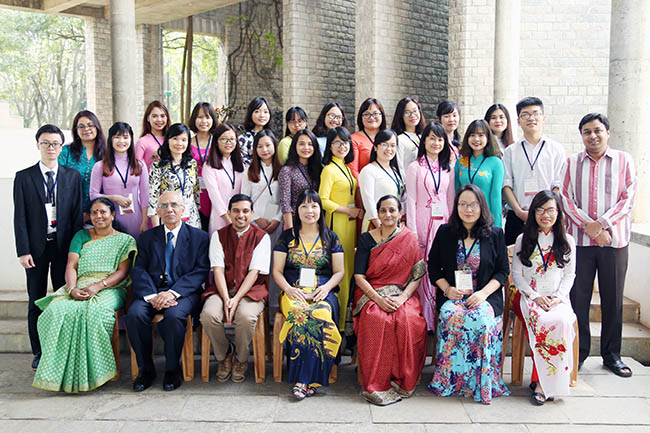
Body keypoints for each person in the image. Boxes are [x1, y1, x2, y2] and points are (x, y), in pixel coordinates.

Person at [560, 113, 637, 377]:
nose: (592, 136)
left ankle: (612, 355)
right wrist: (589, 227)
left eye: (597, 130)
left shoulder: (624, 160)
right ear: (581, 135)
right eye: (586, 132)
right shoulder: (572, 162)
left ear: (607, 132)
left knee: (612, 299)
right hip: (580, 243)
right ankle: (578, 353)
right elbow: (566, 199)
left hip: (614, 242)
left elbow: (629, 198)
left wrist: (602, 225)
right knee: (577, 299)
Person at [32, 198, 137, 392]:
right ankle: (58, 373)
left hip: (111, 288)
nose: (99, 216)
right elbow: (71, 266)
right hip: (79, 284)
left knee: (93, 313)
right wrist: (71, 289)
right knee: (54, 311)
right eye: (94, 212)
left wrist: (99, 286)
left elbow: (123, 272)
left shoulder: (125, 240)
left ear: (113, 214)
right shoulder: (81, 236)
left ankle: (92, 372)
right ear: (89, 216)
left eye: (103, 212)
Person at [427, 184, 509, 404]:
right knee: (450, 314)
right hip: (454, 296)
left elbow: (502, 271)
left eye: (473, 204)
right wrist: (447, 289)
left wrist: (482, 294)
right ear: (456, 207)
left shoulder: (495, 234)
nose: (468, 209)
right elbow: (433, 266)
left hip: (484, 296)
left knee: (481, 318)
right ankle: (450, 381)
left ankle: (479, 384)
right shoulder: (445, 232)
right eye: (463, 204)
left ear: (481, 206)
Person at [125, 191, 210, 392]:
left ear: (183, 209)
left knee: (173, 316)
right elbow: (139, 269)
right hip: (152, 293)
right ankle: (146, 369)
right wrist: (153, 296)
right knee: (135, 315)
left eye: (174, 205)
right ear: (157, 211)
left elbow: (200, 271)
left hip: (183, 294)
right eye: (164, 205)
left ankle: (172, 369)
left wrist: (172, 293)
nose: (169, 209)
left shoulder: (199, 237)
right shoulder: (146, 238)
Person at [13, 124, 83, 370]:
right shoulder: (24, 177)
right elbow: (19, 217)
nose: (51, 148)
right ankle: (39, 351)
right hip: (35, 249)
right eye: (46, 143)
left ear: (61, 147)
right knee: (36, 299)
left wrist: (76, 251)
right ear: (38, 145)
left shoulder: (72, 177)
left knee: (63, 299)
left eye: (55, 143)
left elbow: (76, 216)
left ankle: (60, 348)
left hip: (63, 247)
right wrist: (23, 250)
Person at [353, 195, 427, 406]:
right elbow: (359, 277)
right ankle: (376, 383)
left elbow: (418, 273)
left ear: (400, 213)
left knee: (408, 320)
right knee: (377, 319)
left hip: (402, 294)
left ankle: (403, 381)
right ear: (377, 213)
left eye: (392, 210)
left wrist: (403, 297)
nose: (388, 215)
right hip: (372, 293)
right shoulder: (367, 239)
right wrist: (378, 299)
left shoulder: (409, 238)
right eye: (383, 210)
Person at [272, 190, 344, 400]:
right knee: (301, 314)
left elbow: (339, 271)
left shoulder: (330, 237)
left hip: (323, 289)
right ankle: (303, 379)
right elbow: (277, 270)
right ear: (297, 211)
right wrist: (288, 289)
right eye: (304, 206)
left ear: (320, 210)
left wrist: (327, 288)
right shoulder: (287, 236)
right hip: (294, 289)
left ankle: (308, 378)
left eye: (313, 206)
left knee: (319, 314)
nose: (309, 211)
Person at [511, 190, 577, 405]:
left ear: (558, 213)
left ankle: (547, 381)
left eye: (550, 210)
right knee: (545, 321)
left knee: (563, 320)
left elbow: (569, 275)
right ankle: (542, 383)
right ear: (533, 213)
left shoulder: (568, 241)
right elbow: (516, 276)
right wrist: (535, 296)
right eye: (540, 210)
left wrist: (558, 298)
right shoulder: (524, 239)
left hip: (558, 298)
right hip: (530, 297)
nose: (545, 215)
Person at [200, 194, 270, 382]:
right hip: (222, 288)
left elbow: (254, 273)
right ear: (229, 213)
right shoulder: (219, 235)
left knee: (246, 317)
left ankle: (241, 358)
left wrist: (236, 299)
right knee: (208, 315)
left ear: (252, 213)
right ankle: (224, 355)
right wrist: (225, 298)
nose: (241, 215)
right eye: (236, 211)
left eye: (245, 211)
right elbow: (218, 270)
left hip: (250, 291)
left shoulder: (261, 237)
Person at [405, 122, 455, 330]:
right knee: (423, 268)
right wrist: (413, 232)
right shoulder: (415, 167)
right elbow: (411, 200)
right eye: (432, 138)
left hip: (443, 223)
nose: (436, 143)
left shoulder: (448, 168)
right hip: (423, 222)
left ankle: (438, 317)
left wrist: (452, 226)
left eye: (440, 139)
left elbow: (450, 199)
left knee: (442, 265)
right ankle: (424, 321)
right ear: (424, 140)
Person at [502, 97, 566, 245]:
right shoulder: (510, 151)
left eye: (535, 113)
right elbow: (506, 185)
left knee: (547, 262)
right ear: (518, 121)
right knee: (514, 261)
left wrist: (545, 211)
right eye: (525, 115)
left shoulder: (556, 149)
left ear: (543, 118)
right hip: (518, 217)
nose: (531, 118)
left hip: (548, 218)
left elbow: (558, 184)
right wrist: (519, 212)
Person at [319, 127, 363, 330]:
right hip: (337, 225)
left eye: (345, 142)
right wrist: (347, 211)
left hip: (349, 226)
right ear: (330, 146)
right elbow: (322, 199)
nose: (341, 146)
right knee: (340, 273)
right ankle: (338, 327)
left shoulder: (345, 167)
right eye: (336, 142)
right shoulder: (328, 169)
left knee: (348, 272)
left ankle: (343, 323)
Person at [241, 130, 283, 313]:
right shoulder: (249, 171)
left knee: (275, 266)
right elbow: (244, 199)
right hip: (255, 225)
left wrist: (276, 219)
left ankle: (273, 309)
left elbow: (284, 200)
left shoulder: (282, 170)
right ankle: (253, 307)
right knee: (254, 266)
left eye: (268, 145)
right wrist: (257, 218)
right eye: (260, 146)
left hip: (277, 225)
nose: (264, 149)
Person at [90, 122, 149, 239]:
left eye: (125, 137)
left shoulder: (140, 165)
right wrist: (114, 198)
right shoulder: (100, 166)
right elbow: (93, 195)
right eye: (117, 137)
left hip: (136, 218)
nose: (121, 141)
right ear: (110, 140)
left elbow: (145, 195)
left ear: (131, 140)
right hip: (111, 218)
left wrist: (145, 221)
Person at [148, 123, 201, 229]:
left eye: (183, 140)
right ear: (168, 140)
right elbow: (153, 198)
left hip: (192, 217)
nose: (179, 143)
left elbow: (196, 192)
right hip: (169, 216)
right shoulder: (158, 166)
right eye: (175, 139)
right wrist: (156, 228)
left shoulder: (192, 164)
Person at [455, 119, 504, 227]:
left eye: (481, 135)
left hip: (485, 219)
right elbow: (456, 192)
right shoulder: (460, 162)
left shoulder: (496, 163)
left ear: (488, 138)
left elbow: (495, 196)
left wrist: (497, 226)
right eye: (472, 135)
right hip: (464, 217)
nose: (476, 139)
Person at [59, 110, 106, 219]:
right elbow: (59, 180)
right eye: (81, 126)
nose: (86, 129)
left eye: (90, 125)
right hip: (69, 211)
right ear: (76, 131)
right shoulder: (66, 152)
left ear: (97, 127)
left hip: (99, 214)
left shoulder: (107, 154)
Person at [203, 123, 244, 235]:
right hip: (220, 218)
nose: (228, 143)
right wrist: (229, 219)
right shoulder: (209, 166)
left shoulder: (242, 165)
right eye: (224, 139)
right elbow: (214, 196)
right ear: (216, 142)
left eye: (232, 139)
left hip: (241, 217)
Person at [358, 129, 404, 231]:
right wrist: (380, 226)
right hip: (376, 226)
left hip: (393, 224)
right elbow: (368, 201)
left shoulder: (395, 171)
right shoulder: (368, 170)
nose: (389, 149)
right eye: (384, 144)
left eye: (393, 145)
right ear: (375, 147)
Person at [278, 129, 322, 229]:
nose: (306, 148)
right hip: (296, 222)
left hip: (316, 221)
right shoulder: (287, 170)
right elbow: (285, 203)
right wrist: (290, 230)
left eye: (310, 144)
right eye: (301, 144)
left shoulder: (319, 169)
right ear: (295, 146)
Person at [189, 102, 218, 230]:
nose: (204, 121)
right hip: (193, 192)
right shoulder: (187, 143)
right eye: (200, 117)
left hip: (214, 191)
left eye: (207, 117)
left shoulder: (218, 142)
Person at [350, 98, 387, 179]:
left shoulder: (389, 137)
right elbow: (353, 170)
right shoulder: (354, 139)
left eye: (375, 113)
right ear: (361, 117)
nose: (371, 117)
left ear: (382, 115)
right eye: (366, 114)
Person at [392, 97, 426, 176]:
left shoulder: (423, 137)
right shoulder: (400, 139)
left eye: (415, 111)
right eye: (407, 112)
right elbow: (400, 166)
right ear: (401, 115)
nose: (412, 115)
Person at [135, 100, 171, 169]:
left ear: (167, 118)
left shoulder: (172, 139)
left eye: (162, 116)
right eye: (154, 116)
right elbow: (137, 168)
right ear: (148, 118)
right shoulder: (142, 142)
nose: (159, 119)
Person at [239, 97, 272, 165]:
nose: (262, 115)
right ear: (250, 114)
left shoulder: (270, 137)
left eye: (265, 112)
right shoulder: (244, 139)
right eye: (257, 111)